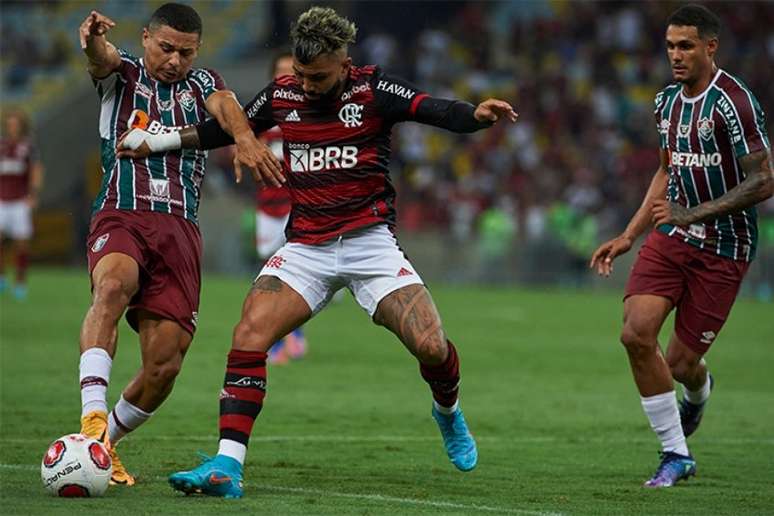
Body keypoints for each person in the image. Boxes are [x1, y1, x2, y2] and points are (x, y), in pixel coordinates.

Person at [119, 6, 517, 498]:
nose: (305, 85)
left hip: (369, 243)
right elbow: (226, 129)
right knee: (249, 333)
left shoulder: (373, 90)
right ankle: (226, 466)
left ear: (344, 61)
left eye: (317, 76)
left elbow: (430, 108)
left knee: (432, 346)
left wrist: (475, 117)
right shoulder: (284, 92)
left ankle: (448, 413)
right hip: (306, 246)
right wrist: (158, 142)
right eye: (301, 75)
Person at [76, 3, 281, 486]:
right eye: (165, 48)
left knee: (165, 363)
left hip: (179, 227)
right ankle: (91, 419)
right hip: (122, 212)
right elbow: (100, 57)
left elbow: (227, 106)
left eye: (185, 52)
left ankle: (104, 447)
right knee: (112, 286)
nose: (174, 60)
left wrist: (246, 139)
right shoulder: (123, 74)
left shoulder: (202, 82)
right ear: (146, 38)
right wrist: (89, 41)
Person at [590, 4, 772, 488]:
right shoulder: (665, 102)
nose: (675, 54)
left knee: (680, 366)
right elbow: (667, 171)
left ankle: (699, 388)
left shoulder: (734, 102)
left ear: (710, 47)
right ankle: (676, 453)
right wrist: (630, 234)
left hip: (725, 248)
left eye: (686, 45)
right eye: (670, 45)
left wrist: (692, 212)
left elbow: (764, 180)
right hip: (671, 238)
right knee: (635, 334)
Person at [255, 51, 308, 365]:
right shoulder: (264, 111)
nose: (285, 76)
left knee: (292, 273)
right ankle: (284, 337)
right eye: (280, 70)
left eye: (291, 70)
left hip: (297, 204)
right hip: (266, 204)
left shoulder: (308, 110)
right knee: (268, 274)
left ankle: (289, 338)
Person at [0, 109, 43, 300]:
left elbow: (36, 170)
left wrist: (33, 194)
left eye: (15, 123)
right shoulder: (1, 145)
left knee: (22, 244)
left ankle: (20, 282)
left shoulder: (28, 147)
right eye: (10, 124)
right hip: (2, 199)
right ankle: (1, 277)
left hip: (19, 201)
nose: (12, 127)